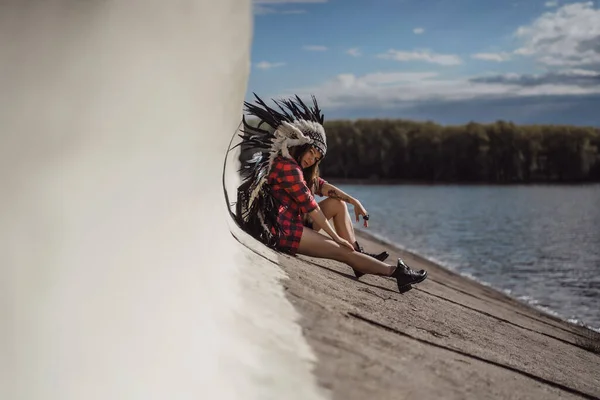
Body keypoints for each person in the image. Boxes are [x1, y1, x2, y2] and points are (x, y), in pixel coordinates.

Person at [232, 94, 427, 293]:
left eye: (316, 158)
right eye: (310, 153)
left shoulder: (296, 166)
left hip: (293, 220)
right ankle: (396, 273)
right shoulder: (287, 167)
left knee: (337, 203)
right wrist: (336, 238)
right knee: (343, 250)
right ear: (301, 146)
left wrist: (354, 201)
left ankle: (359, 260)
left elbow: (321, 186)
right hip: (282, 230)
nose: (310, 160)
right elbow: (312, 207)